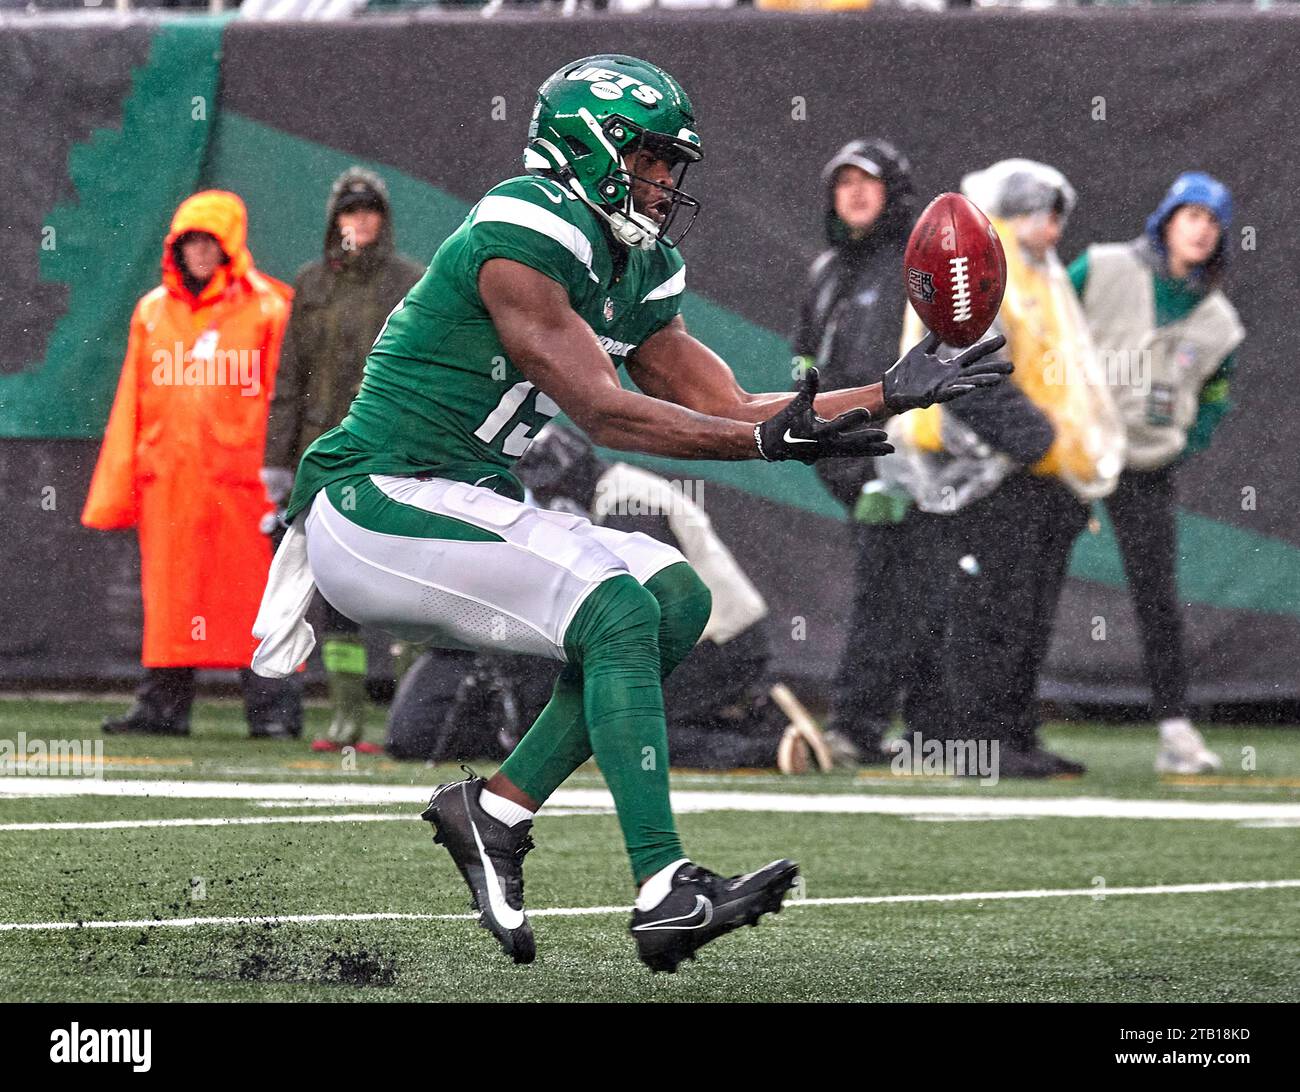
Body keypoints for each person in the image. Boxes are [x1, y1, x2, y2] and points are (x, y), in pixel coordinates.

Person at [249, 55, 1010, 973]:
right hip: (373, 503)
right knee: (616, 606)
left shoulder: (636, 261)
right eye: (650, 158)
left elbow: (730, 407)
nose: (664, 181)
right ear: (589, 145)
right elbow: (604, 409)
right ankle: (663, 888)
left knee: (674, 599)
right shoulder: (526, 223)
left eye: (670, 164)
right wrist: (778, 443)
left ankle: (493, 813)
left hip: (459, 500)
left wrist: (885, 394)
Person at [885, 159, 1124, 778]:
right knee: (982, 614)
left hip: (1035, 476)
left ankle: (1013, 735)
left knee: (1022, 616)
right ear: (1019, 214)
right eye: (1046, 217)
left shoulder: (1037, 276)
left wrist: (1066, 456)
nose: (1053, 233)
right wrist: (1043, 441)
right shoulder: (978, 268)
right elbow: (971, 375)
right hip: (985, 474)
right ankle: (970, 743)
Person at [83, 191, 300, 739]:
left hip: (246, 487)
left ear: (229, 245)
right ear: (175, 249)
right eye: (189, 242)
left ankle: (272, 711)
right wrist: (118, 488)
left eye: (209, 241)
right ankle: (162, 708)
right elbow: (131, 398)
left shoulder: (271, 308)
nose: (199, 253)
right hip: (171, 487)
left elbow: (286, 400)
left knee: (258, 600)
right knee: (172, 603)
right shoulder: (152, 312)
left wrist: (291, 473)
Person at [1069, 172, 1244, 774]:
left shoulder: (1220, 322)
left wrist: (1181, 442)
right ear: (1166, 220)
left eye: (1213, 221)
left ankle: (1175, 729)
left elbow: (1216, 397)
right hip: (1066, 453)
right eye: (1190, 215)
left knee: (1158, 598)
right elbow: (1039, 334)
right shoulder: (1103, 266)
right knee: (1021, 585)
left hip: (1145, 468)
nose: (1200, 228)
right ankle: (996, 723)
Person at [791, 138, 947, 763]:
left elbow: (943, 358)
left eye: (868, 181)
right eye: (842, 182)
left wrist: (913, 463)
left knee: (927, 598)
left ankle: (924, 733)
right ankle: (864, 728)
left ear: (896, 192)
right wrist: (837, 460)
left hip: (926, 468)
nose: (854, 193)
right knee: (884, 597)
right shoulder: (825, 273)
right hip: (853, 467)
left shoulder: (920, 266)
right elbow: (805, 364)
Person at [262, 168, 425, 754]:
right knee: (332, 588)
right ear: (334, 221)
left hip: (391, 455)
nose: (359, 221)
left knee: (407, 585)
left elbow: (425, 372)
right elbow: (289, 379)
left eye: (369, 211)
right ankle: (346, 720)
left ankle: (409, 720)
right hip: (324, 457)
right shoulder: (310, 284)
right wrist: (278, 465)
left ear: (384, 219)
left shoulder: (412, 282)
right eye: (348, 212)